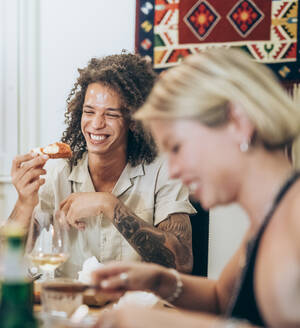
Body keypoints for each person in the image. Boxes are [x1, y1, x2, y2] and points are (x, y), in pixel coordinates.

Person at [92, 48, 300, 327]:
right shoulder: (266, 220)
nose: (174, 169)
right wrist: (160, 281)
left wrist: (164, 325)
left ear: (238, 123)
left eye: (177, 147)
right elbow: (220, 299)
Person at [6, 53, 196, 278]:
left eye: (111, 114)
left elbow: (181, 263)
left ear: (133, 122)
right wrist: (24, 204)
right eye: (89, 112)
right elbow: (2, 261)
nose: (96, 124)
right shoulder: (58, 171)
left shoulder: (164, 171)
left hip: (137, 307)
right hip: (71, 305)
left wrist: (109, 205)